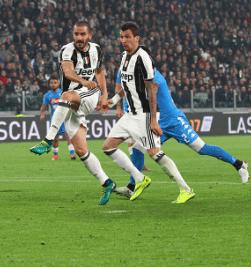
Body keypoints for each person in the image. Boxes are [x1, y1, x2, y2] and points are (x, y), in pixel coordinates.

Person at [110, 69, 248, 198]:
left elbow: (151, 91)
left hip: (174, 121)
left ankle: (238, 164)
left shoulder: (155, 76)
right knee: (137, 148)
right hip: (159, 123)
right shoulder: (140, 77)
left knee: (201, 148)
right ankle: (132, 186)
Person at [102, 21, 195, 204]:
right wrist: (112, 102)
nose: (124, 40)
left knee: (155, 154)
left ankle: (186, 189)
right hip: (129, 115)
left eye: (127, 36)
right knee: (108, 147)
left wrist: (153, 120)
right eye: (121, 37)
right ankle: (140, 179)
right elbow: (126, 87)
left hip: (143, 116)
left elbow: (151, 89)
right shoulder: (124, 57)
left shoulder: (143, 57)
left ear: (137, 38)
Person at [30, 21, 121, 205]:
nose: (79, 38)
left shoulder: (96, 50)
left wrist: (104, 95)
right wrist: (83, 81)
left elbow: (100, 72)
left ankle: (48, 141)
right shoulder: (67, 50)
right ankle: (107, 182)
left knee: (65, 95)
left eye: (82, 34)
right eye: (76, 34)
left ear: (90, 35)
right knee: (81, 150)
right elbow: (68, 71)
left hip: (88, 95)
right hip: (73, 103)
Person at [40, 77, 76, 160]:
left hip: (65, 117)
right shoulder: (47, 95)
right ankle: (55, 154)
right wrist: (42, 115)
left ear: (58, 84)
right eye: (51, 83)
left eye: (55, 82)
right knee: (55, 138)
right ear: (49, 84)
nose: (53, 84)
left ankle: (72, 154)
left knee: (68, 136)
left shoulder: (63, 93)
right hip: (55, 119)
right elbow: (43, 107)